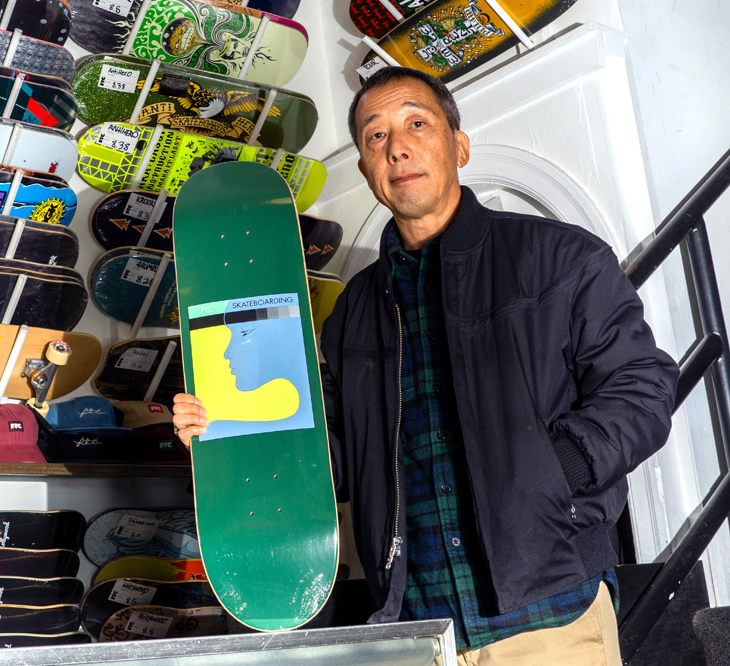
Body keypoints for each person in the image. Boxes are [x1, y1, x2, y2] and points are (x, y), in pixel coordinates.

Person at [172, 66, 678, 665]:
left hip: (547, 616)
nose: (398, 147)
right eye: (375, 136)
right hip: (417, 629)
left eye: (416, 122)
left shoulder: (560, 258)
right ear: (365, 169)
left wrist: (552, 469)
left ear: (458, 145)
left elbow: (643, 387)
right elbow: (332, 455)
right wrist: (226, 433)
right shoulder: (354, 310)